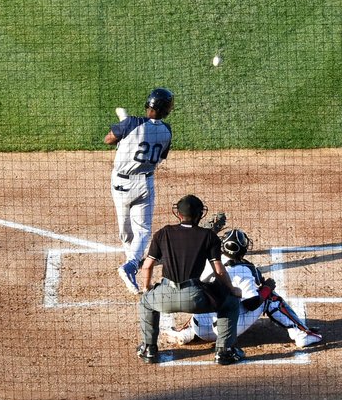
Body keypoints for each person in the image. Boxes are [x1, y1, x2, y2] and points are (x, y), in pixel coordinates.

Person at [165, 224, 324, 351]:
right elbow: (252, 303)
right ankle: (301, 334)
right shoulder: (245, 269)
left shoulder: (206, 259)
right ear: (243, 250)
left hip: (200, 326)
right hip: (224, 332)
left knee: (204, 296)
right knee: (268, 296)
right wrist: (267, 287)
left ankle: (186, 332)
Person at [135, 195, 244, 366]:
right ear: (200, 215)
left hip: (165, 296)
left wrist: (147, 288)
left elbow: (147, 266)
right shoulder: (209, 236)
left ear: (178, 214)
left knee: (146, 303)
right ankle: (224, 352)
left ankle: (149, 349)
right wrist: (231, 290)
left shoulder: (163, 233)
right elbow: (219, 271)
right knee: (230, 302)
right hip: (195, 298)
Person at [105, 87, 174, 294]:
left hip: (121, 184)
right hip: (145, 183)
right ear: (166, 111)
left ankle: (130, 263)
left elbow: (108, 139)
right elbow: (160, 158)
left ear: (148, 106)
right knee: (142, 230)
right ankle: (131, 264)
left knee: (125, 230)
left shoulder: (131, 123)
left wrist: (123, 137)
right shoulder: (167, 131)